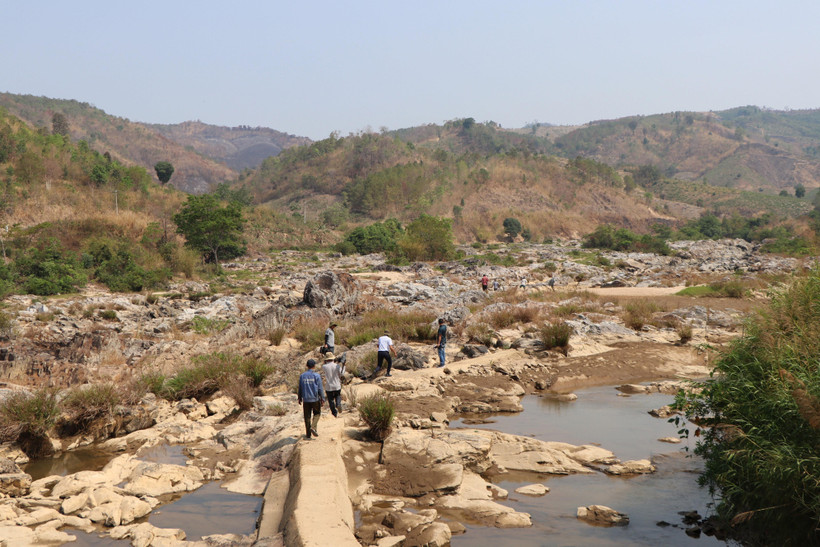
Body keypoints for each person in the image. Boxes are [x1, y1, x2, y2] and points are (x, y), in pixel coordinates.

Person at [297, 359, 325, 439]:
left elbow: (300, 388)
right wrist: (322, 398)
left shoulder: (302, 376)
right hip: (315, 399)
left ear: (307, 366)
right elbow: (320, 388)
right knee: (317, 413)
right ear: (314, 366)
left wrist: (299, 397)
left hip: (306, 399)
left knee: (307, 416)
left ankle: (308, 434)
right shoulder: (316, 376)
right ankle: (313, 427)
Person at [322, 352, 345, 417]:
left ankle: (334, 413)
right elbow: (342, 373)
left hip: (329, 386)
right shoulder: (337, 366)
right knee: (338, 395)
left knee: (330, 400)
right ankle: (338, 404)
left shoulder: (324, 366)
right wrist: (344, 365)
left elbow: (323, 371)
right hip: (337, 384)